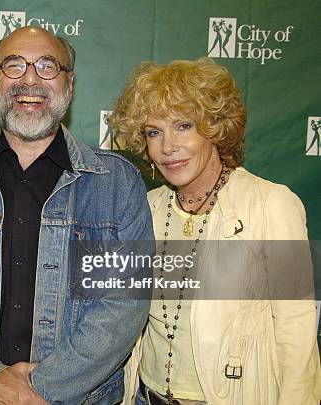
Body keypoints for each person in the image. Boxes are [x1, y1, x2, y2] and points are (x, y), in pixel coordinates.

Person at [0, 26, 153, 405]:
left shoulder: (117, 183)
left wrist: (35, 392)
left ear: (69, 85)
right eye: (13, 65)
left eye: (47, 66)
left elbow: (122, 307)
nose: (29, 79)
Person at [110, 57, 321, 405]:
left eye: (183, 126)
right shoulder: (146, 207)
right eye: (153, 132)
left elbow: (297, 337)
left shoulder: (271, 205)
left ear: (215, 128)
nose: (167, 147)